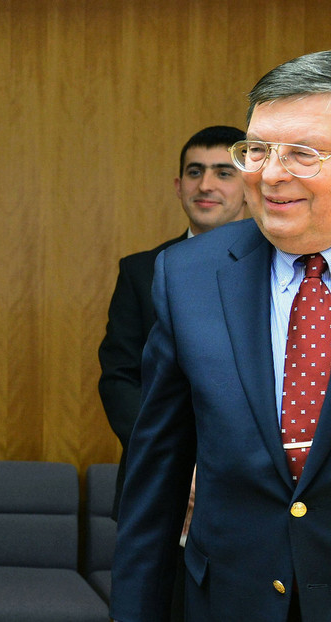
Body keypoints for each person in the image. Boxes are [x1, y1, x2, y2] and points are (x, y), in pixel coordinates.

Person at [111, 50, 331, 622]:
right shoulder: (189, 274)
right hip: (229, 599)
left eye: (302, 154)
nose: (269, 174)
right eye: (257, 150)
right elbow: (155, 475)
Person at [99, 124, 247, 517]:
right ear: (178, 185)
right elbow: (120, 379)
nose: (206, 185)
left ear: (251, 182)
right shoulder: (140, 271)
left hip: (253, 491)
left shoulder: (283, 270)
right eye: (195, 172)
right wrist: (174, 465)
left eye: (224, 172)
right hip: (158, 487)